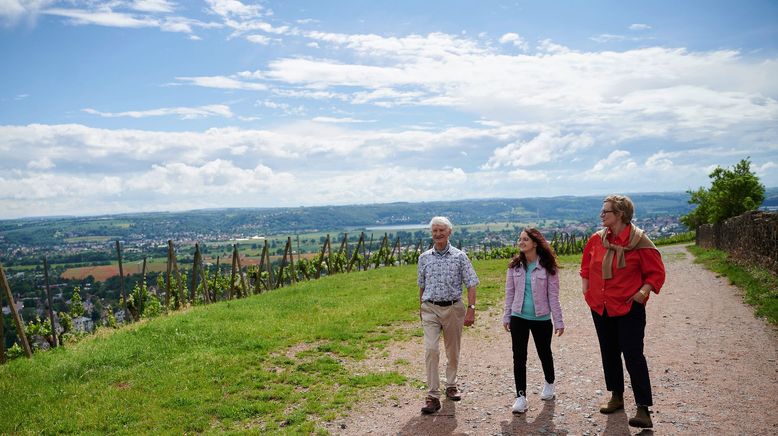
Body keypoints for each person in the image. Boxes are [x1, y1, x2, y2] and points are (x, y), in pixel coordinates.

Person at [580, 194, 666, 429]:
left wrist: (642, 293)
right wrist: (587, 293)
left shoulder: (640, 242)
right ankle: (616, 396)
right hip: (601, 307)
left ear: (620, 215)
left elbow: (656, 273)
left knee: (633, 355)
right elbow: (585, 267)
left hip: (629, 308)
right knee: (608, 352)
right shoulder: (597, 240)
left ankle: (643, 408)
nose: (601, 215)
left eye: (606, 211)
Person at [417, 216, 479, 414]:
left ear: (449, 232)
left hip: (453, 308)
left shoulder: (460, 256)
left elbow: (471, 283)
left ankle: (451, 384)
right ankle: (432, 396)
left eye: (441, 230)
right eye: (434, 231)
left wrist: (471, 308)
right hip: (430, 308)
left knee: (452, 350)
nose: (438, 234)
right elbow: (422, 285)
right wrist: (421, 306)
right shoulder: (424, 258)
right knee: (431, 350)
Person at [503, 228, 565, 414]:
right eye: (520, 239)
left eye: (525, 239)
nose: (521, 242)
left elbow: (553, 296)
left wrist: (558, 320)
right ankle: (520, 397)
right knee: (519, 356)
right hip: (518, 317)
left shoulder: (548, 267)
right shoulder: (514, 266)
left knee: (544, 352)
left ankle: (549, 383)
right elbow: (509, 293)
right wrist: (507, 315)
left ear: (535, 243)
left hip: (541, 318)